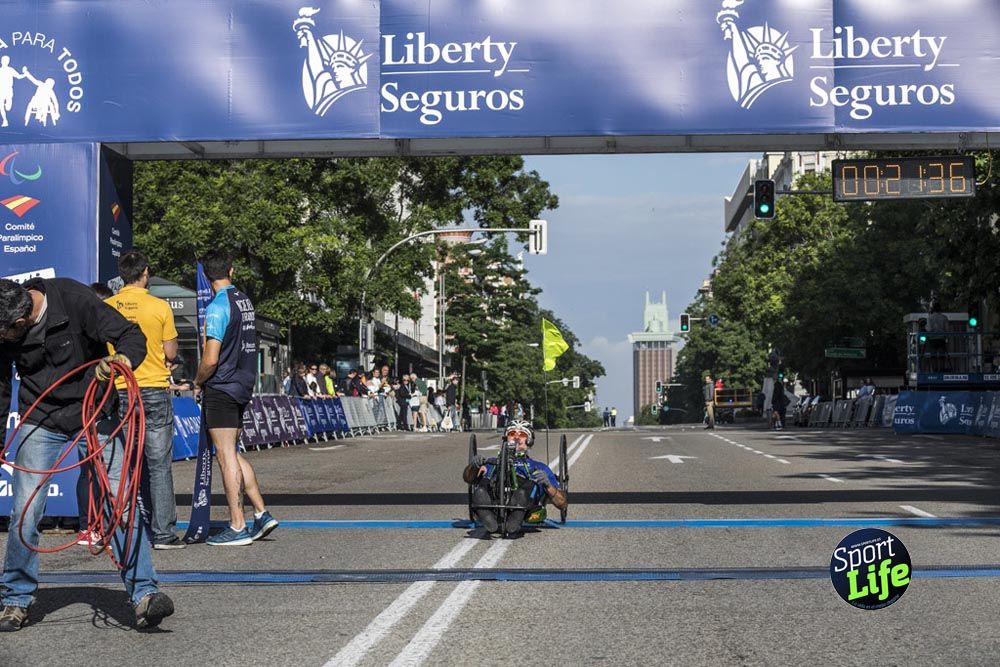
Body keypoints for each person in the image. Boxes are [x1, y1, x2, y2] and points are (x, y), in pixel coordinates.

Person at [0, 277, 173, 631]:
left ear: (20, 324)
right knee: (25, 510)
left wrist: (121, 358)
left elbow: (130, 335)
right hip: (41, 416)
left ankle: (144, 594)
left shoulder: (75, 299)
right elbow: (0, 385)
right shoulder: (5, 327)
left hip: (94, 411)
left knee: (118, 502)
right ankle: (15, 599)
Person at [192, 251, 278, 547]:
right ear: (231, 270)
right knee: (233, 451)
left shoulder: (217, 307)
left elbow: (210, 358)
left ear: (205, 275)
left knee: (225, 455)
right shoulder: (244, 300)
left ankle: (237, 525)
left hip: (222, 385)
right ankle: (261, 512)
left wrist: (197, 380)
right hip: (243, 383)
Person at [106, 250, 185, 550]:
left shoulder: (109, 306)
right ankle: (163, 534)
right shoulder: (159, 306)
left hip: (120, 389)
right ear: (146, 273)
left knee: (125, 464)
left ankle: (127, 529)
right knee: (159, 465)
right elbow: (171, 353)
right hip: (153, 387)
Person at [463, 420, 567, 535]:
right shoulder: (490, 463)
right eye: (512, 434)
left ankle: (516, 515)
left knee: (527, 487)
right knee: (484, 483)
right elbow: (468, 478)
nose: (516, 438)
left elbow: (562, 504)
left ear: (529, 440)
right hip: (494, 495)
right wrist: (474, 466)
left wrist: (548, 485)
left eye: (522, 435)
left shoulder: (538, 466)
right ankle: (487, 514)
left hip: (525, 498)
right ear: (506, 438)